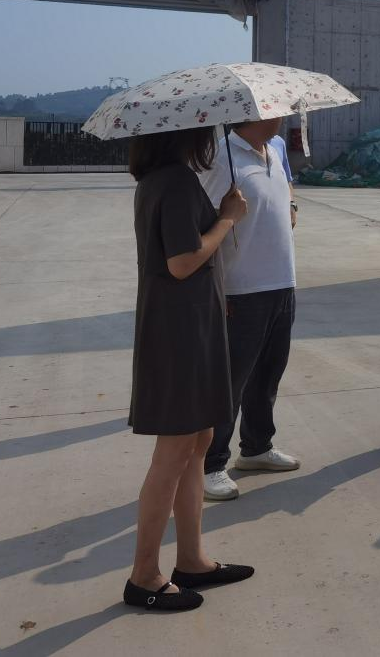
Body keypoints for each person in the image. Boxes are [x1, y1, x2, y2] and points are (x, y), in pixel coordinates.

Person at [125, 126, 254, 612]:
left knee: (199, 441)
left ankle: (192, 559)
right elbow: (182, 262)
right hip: (179, 332)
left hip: (189, 326)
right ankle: (144, 575)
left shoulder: (159, 179)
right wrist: (226, 218)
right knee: (176, 449)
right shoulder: (175, 181)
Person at [199, 118, 301, 501]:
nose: (282, 114)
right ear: (256, 113)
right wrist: (217, 290)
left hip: (281, 283)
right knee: (230, 382)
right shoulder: (221, 159)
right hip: (240, 290)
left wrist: (291, 204)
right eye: (275, 108)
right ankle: (210, 463)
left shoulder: (274, 151)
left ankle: (257, 447)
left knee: (268, 374)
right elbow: (204, 224)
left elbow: (285, 192)